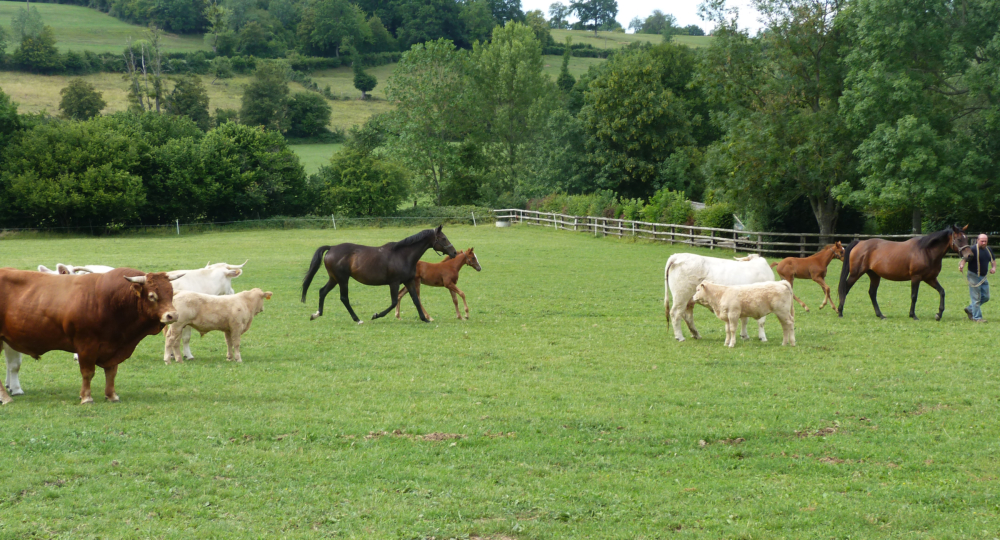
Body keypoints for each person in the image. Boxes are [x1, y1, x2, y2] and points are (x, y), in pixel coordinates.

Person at [959, 233, 996, 322]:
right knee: (976, 297)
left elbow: (993, 260)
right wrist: (961, 265)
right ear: (978, 240)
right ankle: (977, 318)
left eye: (985, 241)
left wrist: (993, 267)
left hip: (983, 277)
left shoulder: (988, 249)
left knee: (986, 297)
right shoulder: (972, 249)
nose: (984, 243)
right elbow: (964, 259)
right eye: (982, 241)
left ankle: (970, 309)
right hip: (973, 275)